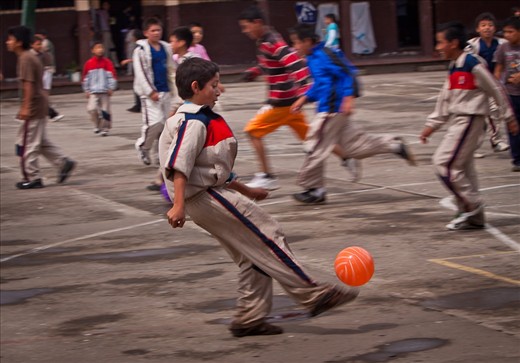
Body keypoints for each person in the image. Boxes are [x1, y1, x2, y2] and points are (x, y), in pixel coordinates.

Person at [159, 57, 359, 338]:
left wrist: (246, 190)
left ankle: (249, 318)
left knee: (252, 254)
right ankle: (314, 294)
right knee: (268, 233)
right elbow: (180, 165)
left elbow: (211, 168)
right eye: (214, 86)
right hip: (205, 198)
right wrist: (178, 205)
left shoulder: (201, 117)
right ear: (196, 87)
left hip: (209, 195)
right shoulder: (193, 121)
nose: (219, 90)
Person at [288, 24, 416, 204]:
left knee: (314, 145)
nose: (295, 48)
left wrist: (349, 97)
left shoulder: (326, 54)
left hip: (332, 110)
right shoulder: (312, 58)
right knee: (355, 147)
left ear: (307, 41)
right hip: (332, 109)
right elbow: (321, 84)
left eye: (296, 43)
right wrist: (304, 99)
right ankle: (393, 145)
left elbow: (348, 73)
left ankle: (314, 189)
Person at [419, 21, 517, 230]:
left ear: (453, 43)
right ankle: (476, 218)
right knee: (463, 167)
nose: (437, 48)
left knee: (443, 163)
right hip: (458, 120)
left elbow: (496, 89)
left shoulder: (472, 64)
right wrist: (432, 124)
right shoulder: (454, 66)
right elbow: (445, 99)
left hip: (471, 119)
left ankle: (470, 204)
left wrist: (508, 117)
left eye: (440, 43)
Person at [238, 6, 312, 190]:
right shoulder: (265, 40)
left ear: (257, 23)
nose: (245, 31)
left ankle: (267, 176)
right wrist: (254, 71)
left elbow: (293, 61)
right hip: (291, 102)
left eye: (246, 27)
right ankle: (346, 155)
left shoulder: (271, 41)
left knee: (252, 132)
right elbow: (272, 64)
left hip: (282, 102)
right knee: (314, 139)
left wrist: (305, 87)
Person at [6, 25, 76, 189]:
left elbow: (29, 86)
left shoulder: (25, 58)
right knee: (40, 141)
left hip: (35, 106)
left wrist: (25, 108)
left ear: (19, 42)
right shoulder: (28, 57)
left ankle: (32, 177)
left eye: (10, 39)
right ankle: (63, 162)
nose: (7, 42)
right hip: (40, 104)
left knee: (28, 144)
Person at [133, 17, 176, 166]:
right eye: (153, 30)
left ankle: (160, 154)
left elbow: (172, 68)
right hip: (150, 94)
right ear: (146, 33)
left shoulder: (166, 47)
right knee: (154, 122)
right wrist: (150, 91)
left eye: (159, 30)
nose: (156, 33)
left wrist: (175, 88)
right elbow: (141, 72)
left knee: (165, 125)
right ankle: (143, 146)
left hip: (166, 90)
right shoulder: (140, 51)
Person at [467, 12, 510, 157]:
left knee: (495, 112)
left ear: (495, 28)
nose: (487, 28)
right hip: (477, 85)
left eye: (490, 25)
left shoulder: (503, 44)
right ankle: (473, 147)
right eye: (483, 25)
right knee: (477, 118)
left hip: (495, 83)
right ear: (478, 29)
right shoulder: (472, 45)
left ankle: (496, 141)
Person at [494, 16, 520, 172]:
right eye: (505, 32)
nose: (507, 35)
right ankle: (517, 159)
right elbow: (498, 68)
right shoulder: (503, 48)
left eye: (511, 32)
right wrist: (496, 87)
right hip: (510, 94)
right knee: (513, 127)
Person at [82, 41, 117, 136]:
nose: (100, 50)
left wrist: (111, 87)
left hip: (105, 91)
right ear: (93, 50)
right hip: (93, 91)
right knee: (91, 109)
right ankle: (97, 125)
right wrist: (86, 89)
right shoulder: (89, 63)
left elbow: (112, 76)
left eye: (101, 47)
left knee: (105, 110)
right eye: (97, 47)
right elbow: (85, 78)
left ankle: (105, 127)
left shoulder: (107, 63)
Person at [34, 29, 64, 122]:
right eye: (37, 44)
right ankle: (51, 113)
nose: (40, 46)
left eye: (40, 43)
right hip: (37, 78)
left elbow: (48, 61)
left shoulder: (45, 49)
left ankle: (51, 113)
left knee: (43, 94)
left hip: (45, 73)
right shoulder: (31, 55)